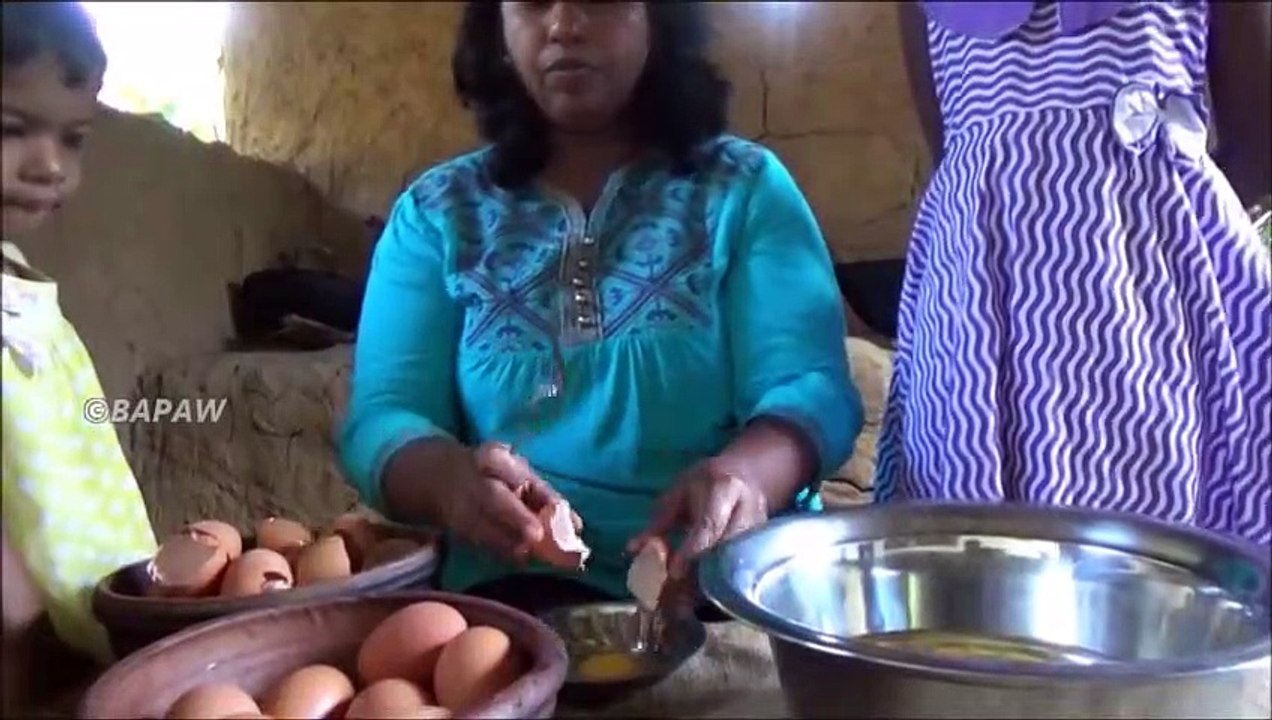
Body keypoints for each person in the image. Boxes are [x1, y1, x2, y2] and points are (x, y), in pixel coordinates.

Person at [340, 0, 862, 614]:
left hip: (726, 587)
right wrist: (450, 483)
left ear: (659, 21)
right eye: (533, 4)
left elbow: (811, 389)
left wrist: (745, 477)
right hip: (514, 597)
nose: (563, 25)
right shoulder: (435, 216)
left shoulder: (744, 191)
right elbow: (384, 414)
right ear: (499, 31)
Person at [876, 0, 1271, 547]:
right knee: (971, 568)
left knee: (1157, 570)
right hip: (978, 301)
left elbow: (1259, 142)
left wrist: (1158, 231)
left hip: (1155, 305)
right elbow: (961, 153)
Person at [2, 0, 159, 686]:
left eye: (73, 139)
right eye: (11, 129)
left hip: (84, 630)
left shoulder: (22, 284)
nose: (51, 166)